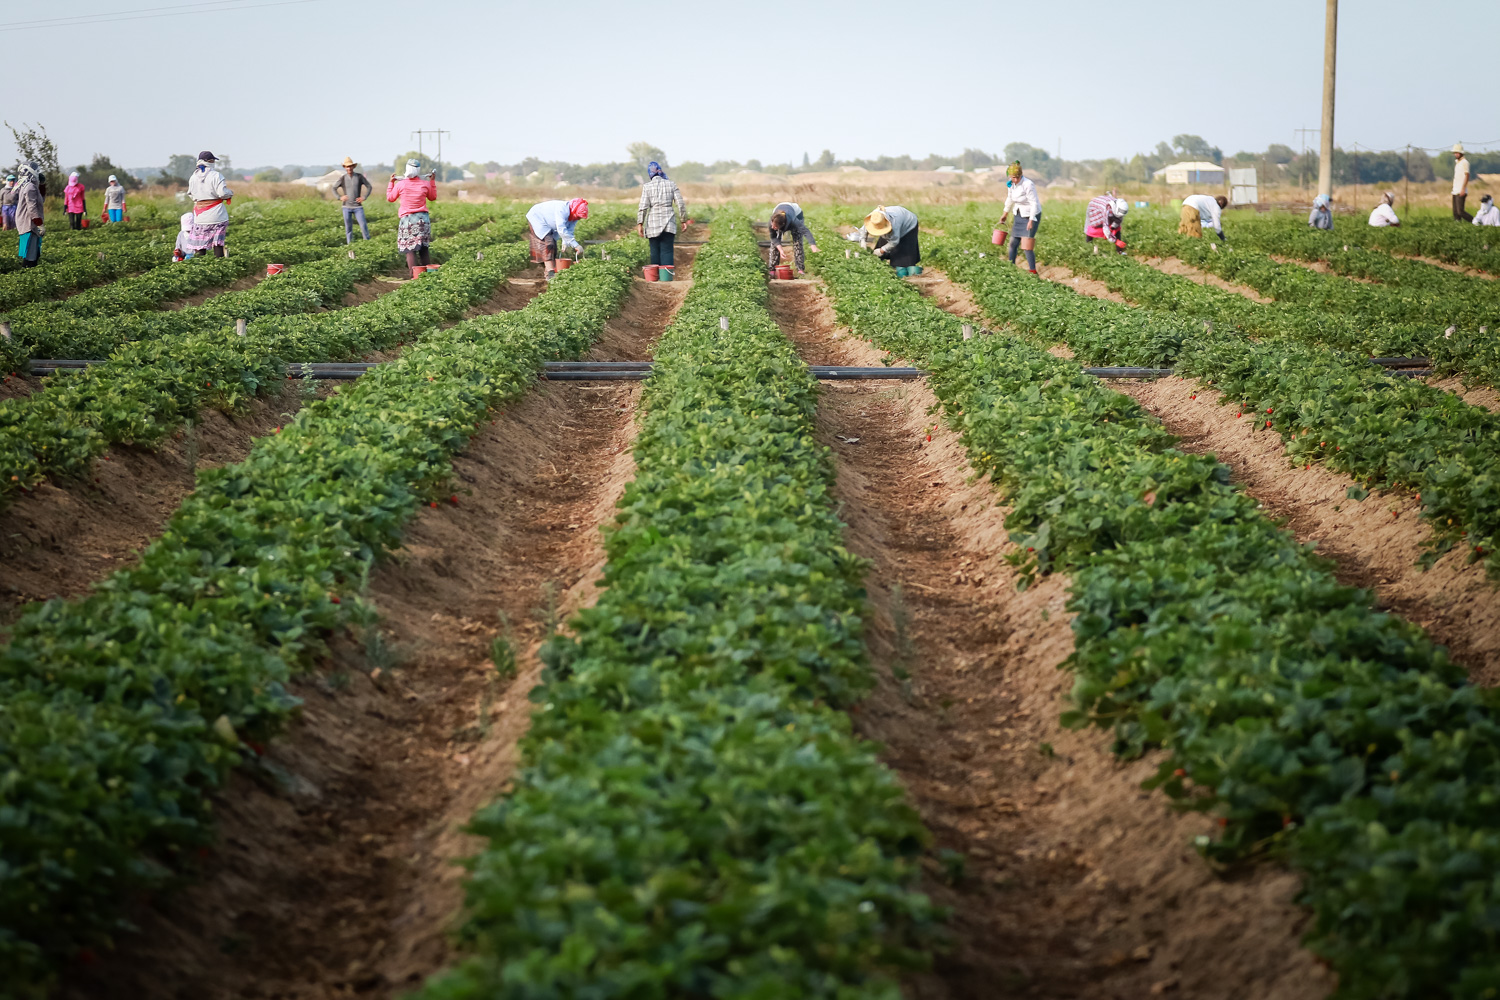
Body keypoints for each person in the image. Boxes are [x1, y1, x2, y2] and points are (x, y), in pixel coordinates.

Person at [387, 158, 438, 274]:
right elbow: (432, 197)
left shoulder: (401, 184)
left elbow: (390, 198)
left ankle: (414, 277)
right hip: (423, 220)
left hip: (408, 221)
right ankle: (428, 277)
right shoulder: (425, 184)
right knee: (423, 249)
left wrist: (391, 183)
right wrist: (432, 182)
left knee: (410, 250)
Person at [636, 161, 687, 273]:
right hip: (669, 222)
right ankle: (666, 279)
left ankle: (656, 279)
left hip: (653, 224)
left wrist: (640, 223)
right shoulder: (671, 184)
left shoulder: (647, 187)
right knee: (667, 250)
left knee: (654, 251)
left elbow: (643, 206)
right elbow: (680, 203)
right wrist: (683, 220)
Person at [184, 151, 234, 258]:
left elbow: (190, 194)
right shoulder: (216, 175)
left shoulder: (193, 177)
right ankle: (219, 265)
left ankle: (198, 266)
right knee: (218, 244)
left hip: (200, 215)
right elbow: (222, 193)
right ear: (210, 161)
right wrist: (230, 193)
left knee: (199, 244)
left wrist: (201, 200)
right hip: (217, 214)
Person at [526, 197, 588, 282]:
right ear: (574, 210)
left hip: (549, 223)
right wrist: (575, 245)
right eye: (578, 216)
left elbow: (569, 230)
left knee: (553, 246)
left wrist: (565, 242)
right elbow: (561, 229)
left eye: (579, 218)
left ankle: (548, 271)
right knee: (548, 244)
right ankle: (550, 273)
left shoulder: (574, 216)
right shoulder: (562, 209)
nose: (578, 219)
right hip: (537, 217)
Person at [853, 205, 921, 275]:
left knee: (902, 256)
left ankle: (907, 269)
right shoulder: (874, 218)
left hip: (908, 224)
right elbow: (863, 230)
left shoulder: (894, 223)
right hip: (896, 219)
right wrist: (863, 241)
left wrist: (882, 250)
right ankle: (885, 259)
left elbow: (894, 241)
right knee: (880, 252)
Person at [1000, 161, 1042, 273]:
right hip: (1019, 214)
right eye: (1012, 177)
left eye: (1016, 177)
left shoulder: (1028, 184)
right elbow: (1010, 199)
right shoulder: (1011, 184)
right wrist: (1005, 213)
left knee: (1027, 244)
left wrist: (1031, 220)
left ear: (1020, 176)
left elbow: (1034, 203)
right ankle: (1011, 267)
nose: (1014, 180)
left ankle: (1033, 271)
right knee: (1013, 242)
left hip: (1031, 214)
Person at [768, 201, 819, 274]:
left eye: (775, 226)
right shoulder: (772, 222)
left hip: (797, 214)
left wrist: (813, 245)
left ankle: (800, 269)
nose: (773, 227)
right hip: (781, 212)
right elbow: (774, 238)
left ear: (782, 225)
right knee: (774, 244)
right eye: (772, 225)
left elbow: (805, 231)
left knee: (797, 240)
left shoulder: (794, 221)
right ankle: (772, 270)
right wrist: (781, 250)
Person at [334, 157, 372, 243]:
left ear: (353, 167)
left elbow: (369, 186)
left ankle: (367, 244)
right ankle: (350, 246)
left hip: (357, 207)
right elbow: (334, 188)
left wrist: (364, 197)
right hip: (346, 207)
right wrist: (339, 197)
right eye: (347, 167)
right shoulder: (342, 178)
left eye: (350, 166)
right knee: (348, 228)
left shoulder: (359, 177)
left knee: (363, 226)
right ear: (344, 167)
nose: (349, 168)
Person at [15, 162, 45, 268]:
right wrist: (39, 224)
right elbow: (32, 208)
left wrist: (42, 185)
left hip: (27, 222)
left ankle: (28, 271)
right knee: (31, 255)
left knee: (32, 252)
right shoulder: (30, 187)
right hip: (29, 223)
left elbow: (41, 200)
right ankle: (27, 272)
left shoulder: (27, 185)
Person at [1452, 143, 1473, 222]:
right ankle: (1457, 226)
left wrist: (1463, 189)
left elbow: (1467, 175)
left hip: (1461, 190)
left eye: (1457, 153)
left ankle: (1475, 221)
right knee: (1455, 212)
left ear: (1461, 153)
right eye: (1455, 153)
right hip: (1455, 189)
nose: (1455, 154)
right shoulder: (1457, 163)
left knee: (1460, 211)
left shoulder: (1465, 162)